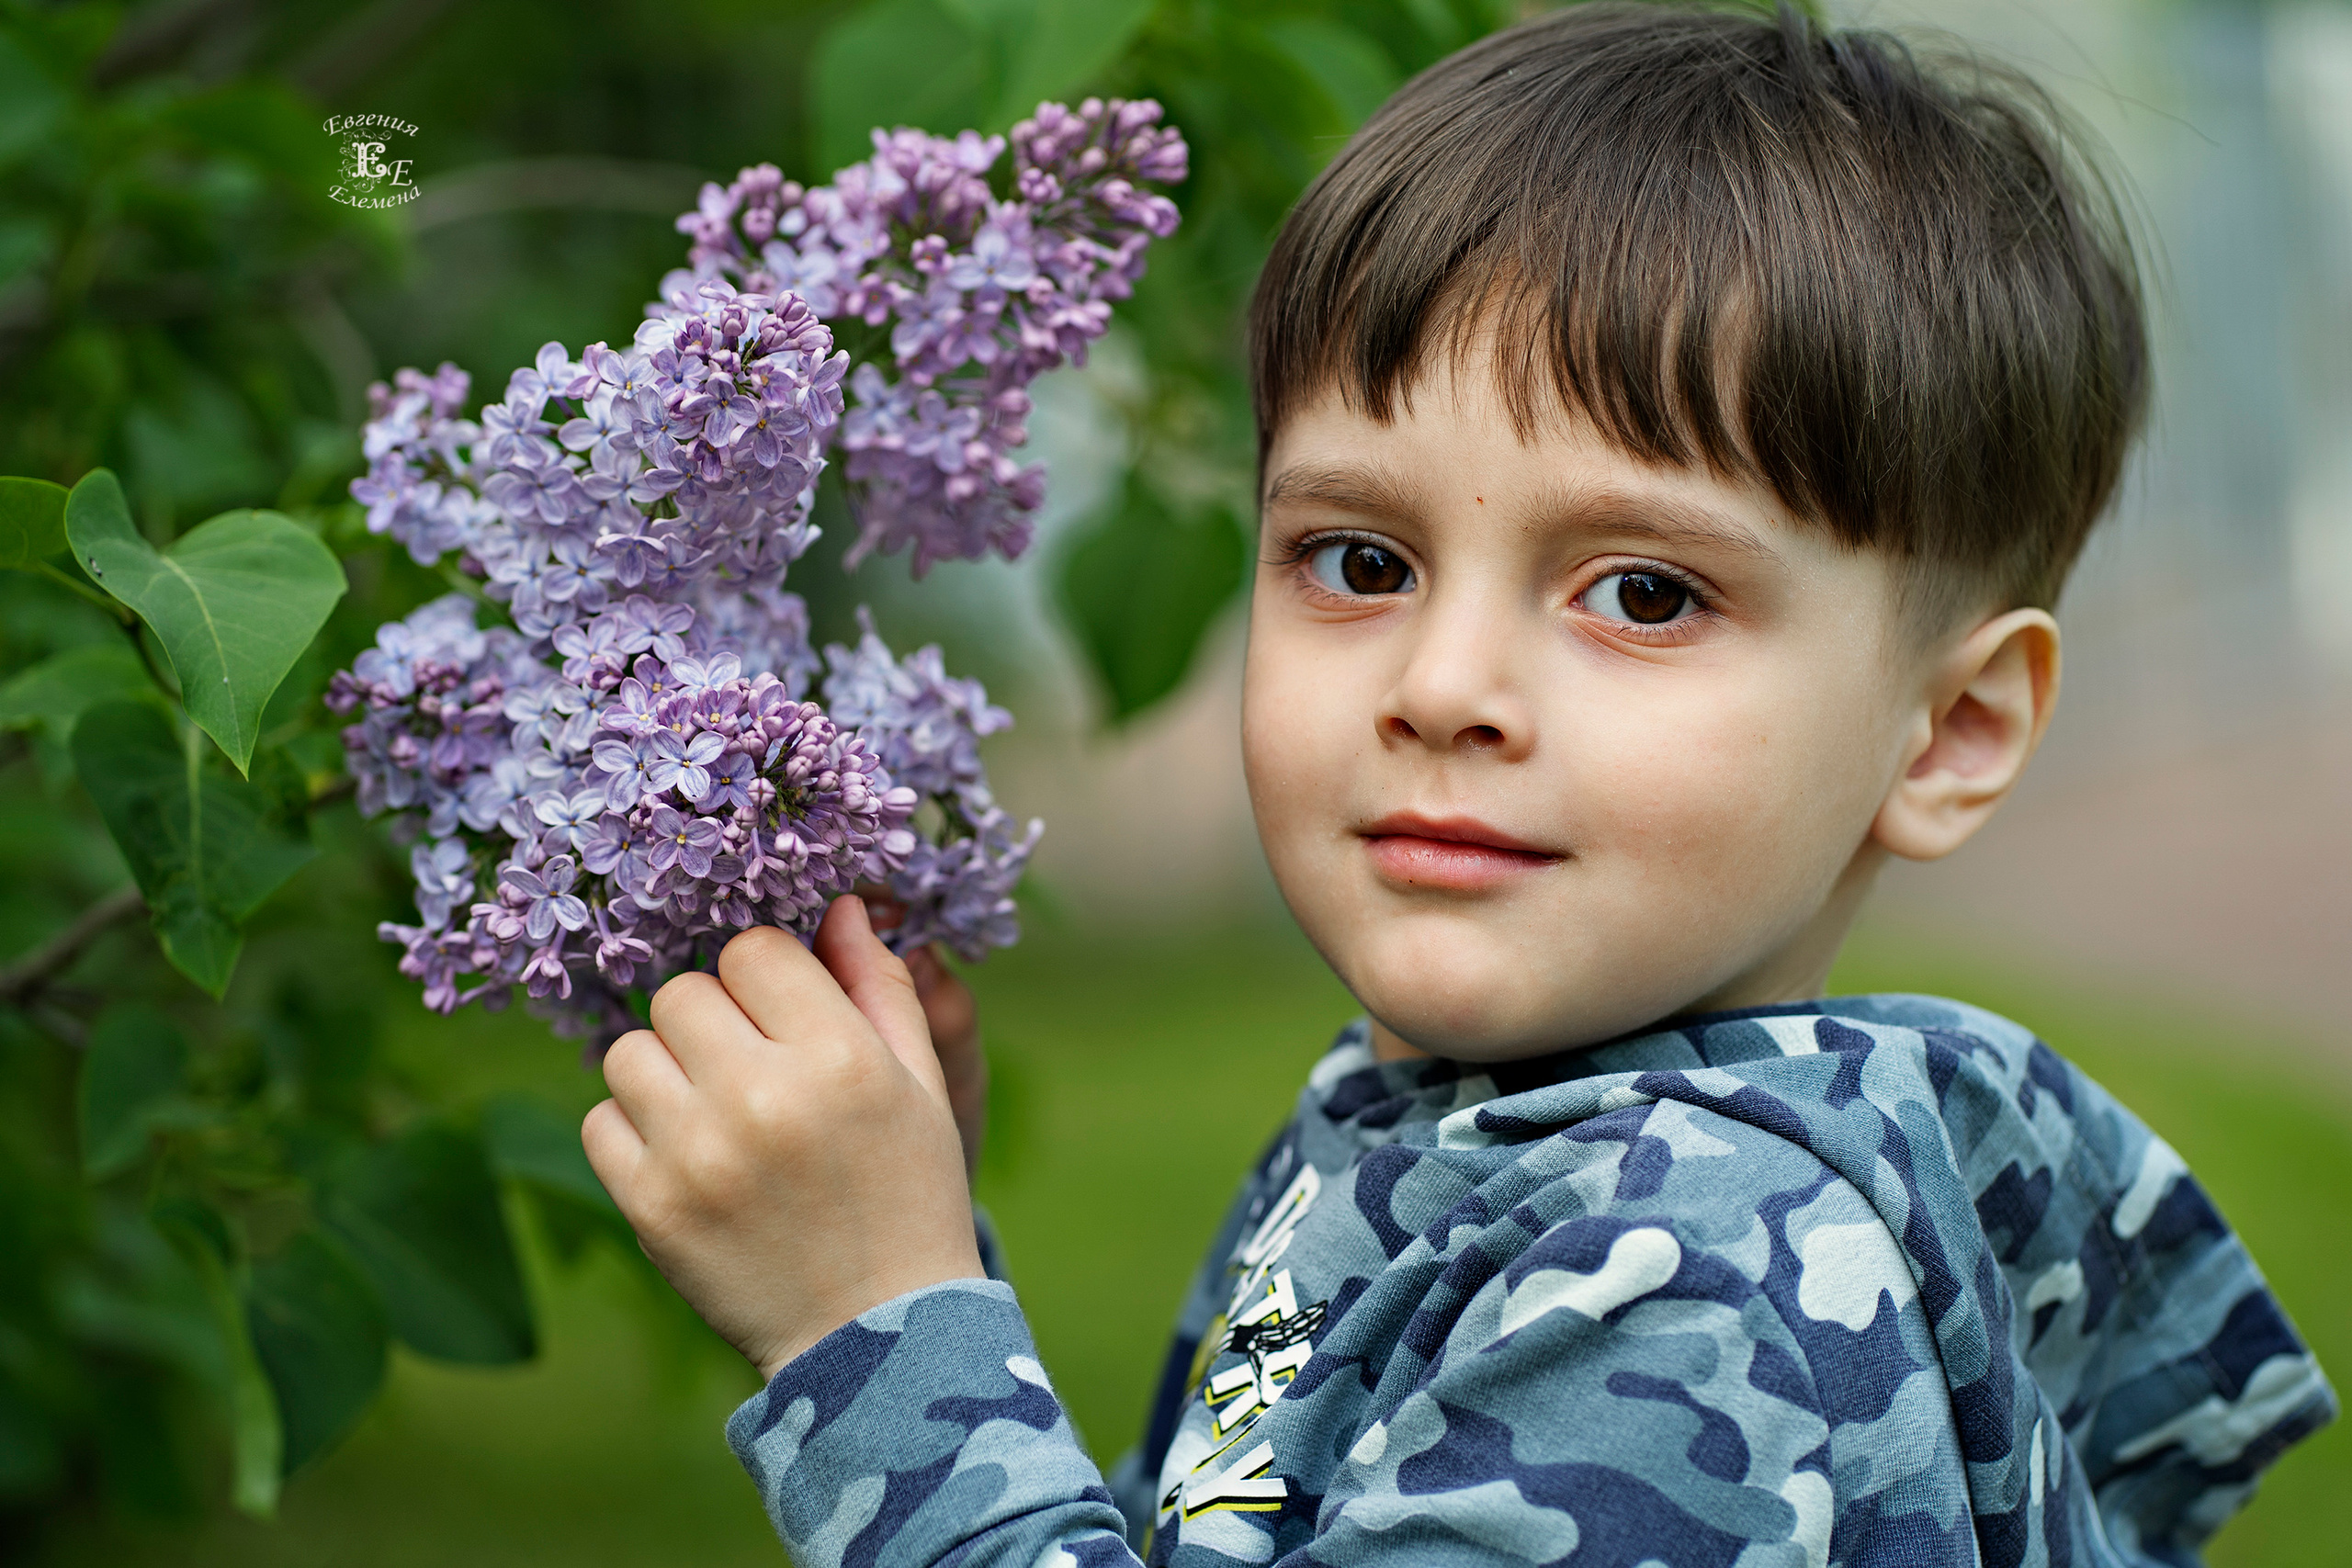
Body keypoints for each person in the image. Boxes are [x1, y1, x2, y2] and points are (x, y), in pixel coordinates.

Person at [577, 6, 2337, 1563]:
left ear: (1945, 734)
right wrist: (917, 1232)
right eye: (1358, 560)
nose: (1442, 689)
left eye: (1644, 593)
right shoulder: (1479, 1136)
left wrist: (876, 1332)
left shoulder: (1683, 1276)